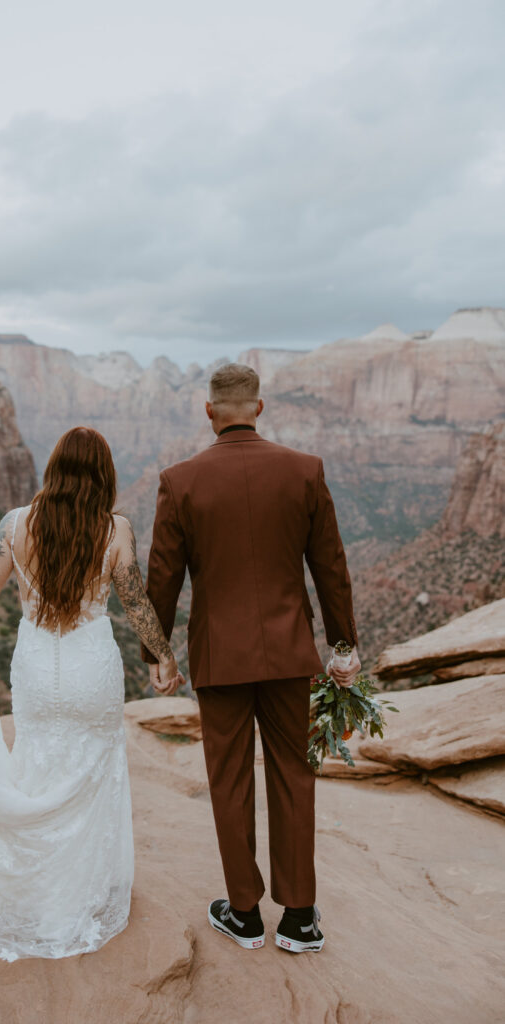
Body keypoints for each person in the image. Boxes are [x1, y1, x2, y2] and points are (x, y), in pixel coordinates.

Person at [0, 426, 184, 960]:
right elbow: (135, 602)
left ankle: (29, 892)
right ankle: (76, 896)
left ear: (52, 469)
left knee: (36, 765)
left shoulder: (16, 525)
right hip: (91, 667)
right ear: (104, 474)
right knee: (92, 774)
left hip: (36, 666)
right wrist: (164, 656)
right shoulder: (115, 529)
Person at [141, 363, 361, 954]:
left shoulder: (179, 481)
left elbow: (162, 580)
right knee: (294, 773)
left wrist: (158, 655)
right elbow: (331, 568)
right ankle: (300, 918)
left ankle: (243, 913)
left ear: (209, 411)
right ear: (259, 408)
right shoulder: (304, 471)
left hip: (220, 658)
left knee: (229, 778)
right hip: (291, 653)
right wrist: (343, 647)